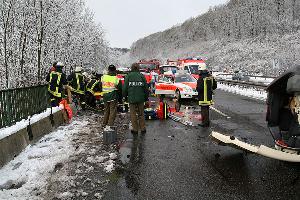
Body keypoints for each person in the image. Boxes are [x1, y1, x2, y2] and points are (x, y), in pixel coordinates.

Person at [123, 63, 149, 134]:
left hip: (131, 98)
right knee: (141, 114)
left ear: (131, 68)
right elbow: (146, 88)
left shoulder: (128, 76)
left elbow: (125, 88)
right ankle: (143, 128)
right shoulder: (141, 76)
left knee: (133, 114)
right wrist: (146, 98)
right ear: (138, 68)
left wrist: (124, 97)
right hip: (141, 98)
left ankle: (135, 129)